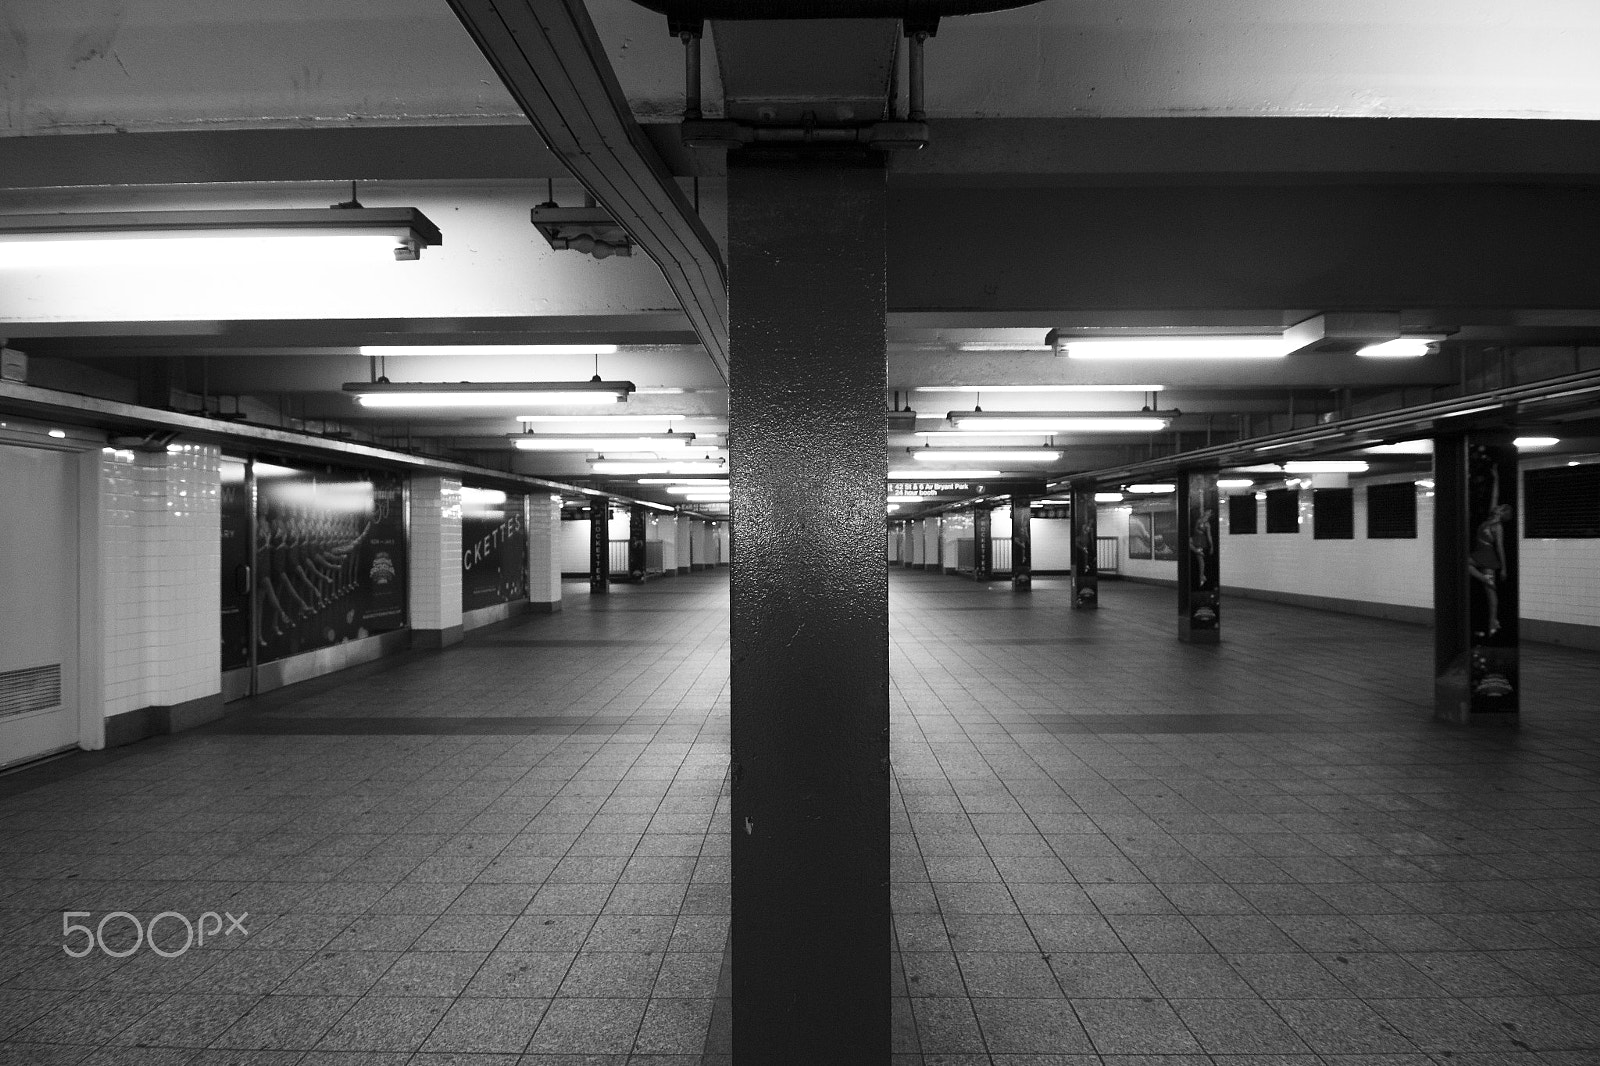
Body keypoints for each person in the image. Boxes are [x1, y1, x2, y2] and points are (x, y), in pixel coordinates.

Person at [1467, 466, 1512, 637]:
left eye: (1501, 508)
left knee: (1490, 592)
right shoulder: (1489, 517)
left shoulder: (1498, 527)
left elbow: (1500, 547)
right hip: (1479, 553)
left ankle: (1493, 621)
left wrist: (1504, 568)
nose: (1498, 506)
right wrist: (1496, 478)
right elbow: (1495, 495)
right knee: (1467, 565)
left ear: (1502, 514)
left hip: (1488, 556)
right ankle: (1493, 621)